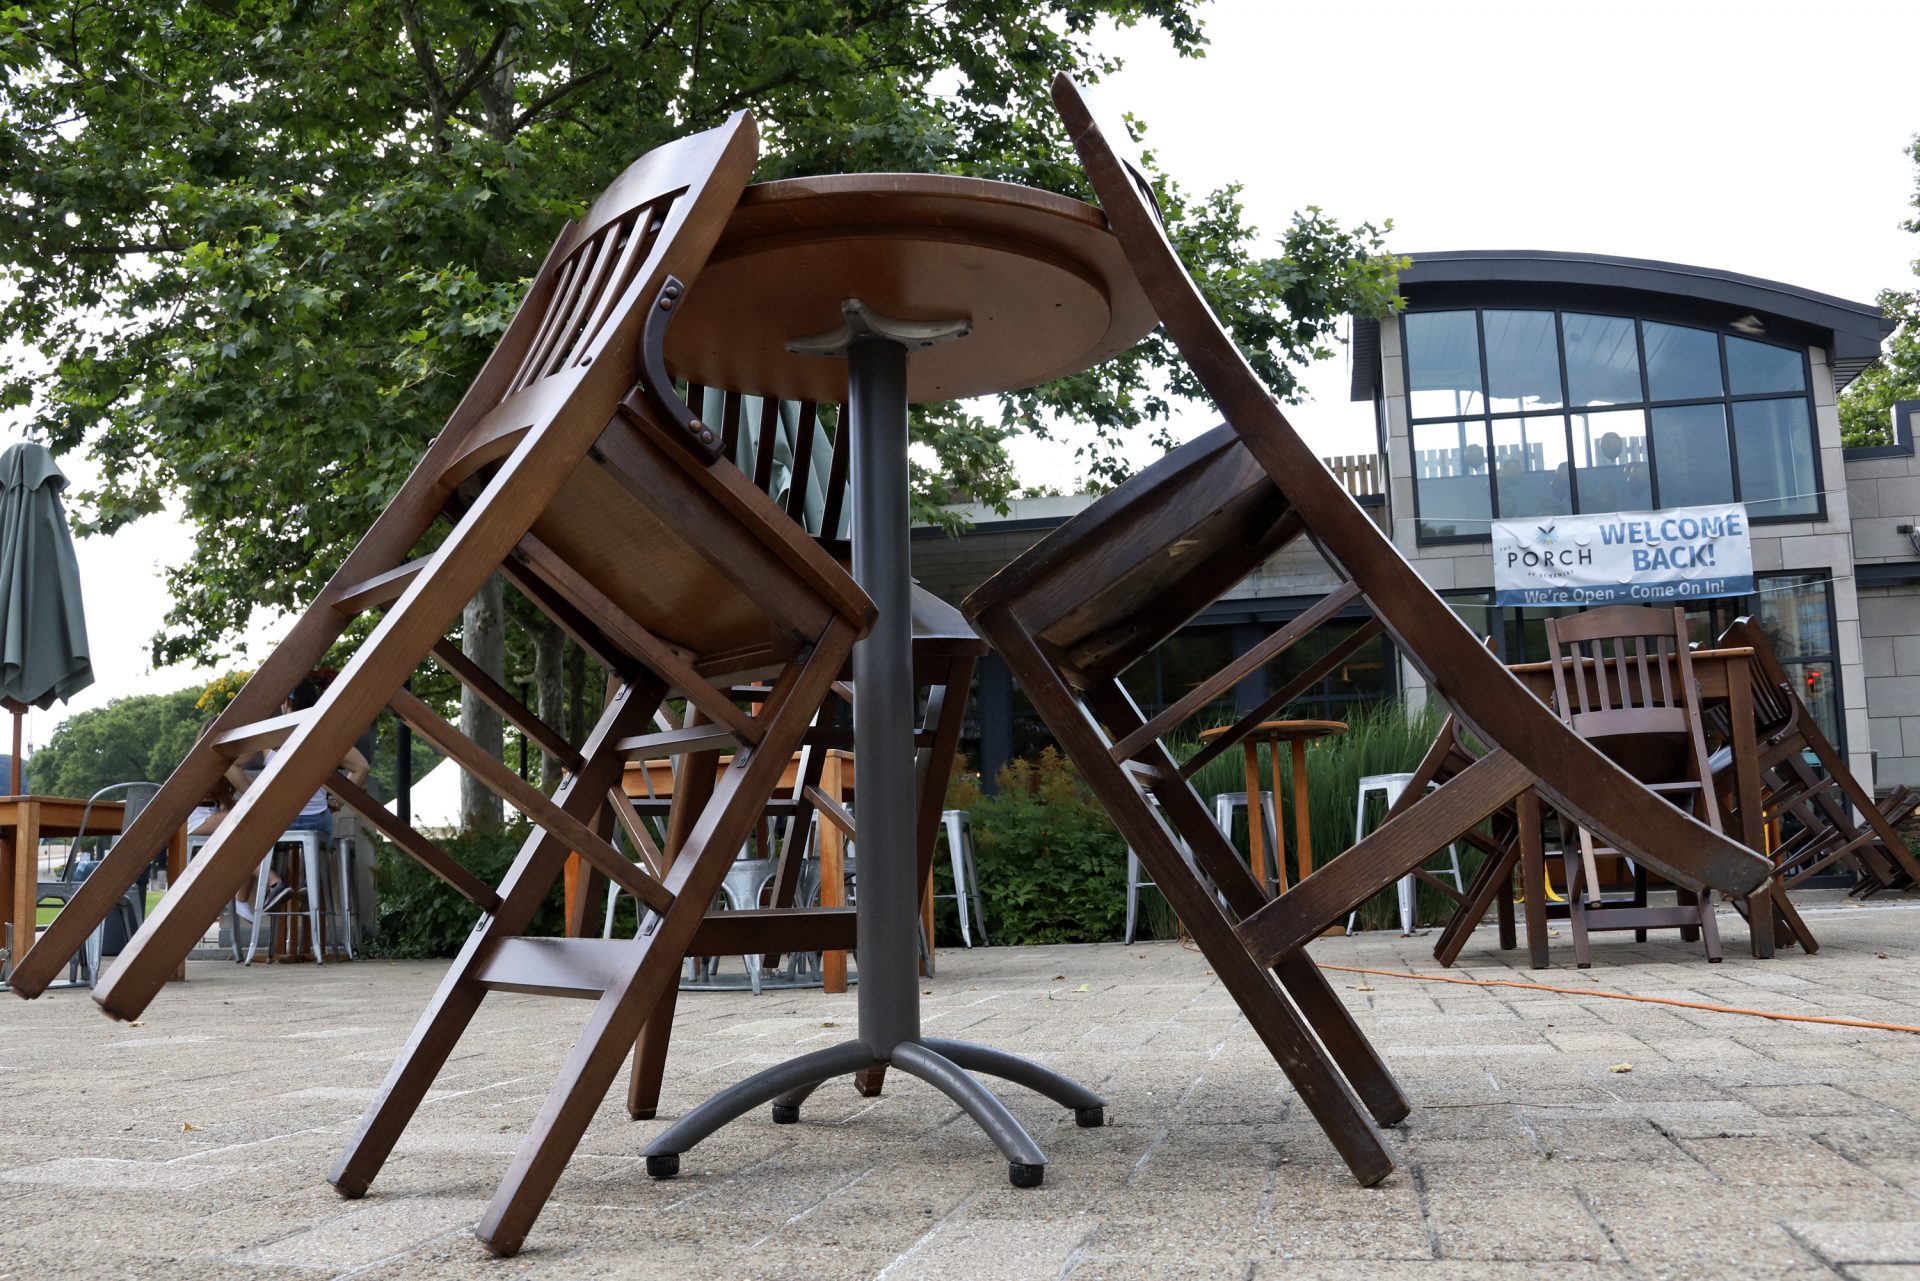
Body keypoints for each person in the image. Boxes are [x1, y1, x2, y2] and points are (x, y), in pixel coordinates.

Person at [226, 678, 370, 922]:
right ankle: (307, 883)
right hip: (317, 821)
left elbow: (232, 768)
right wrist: (336, 801)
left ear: (286, 702)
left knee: (239, 839)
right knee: (310, 842)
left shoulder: (272, 733)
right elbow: (361, 768)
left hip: (280, 822)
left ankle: (276, 884)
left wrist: (255, 795)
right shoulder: (326, 733)